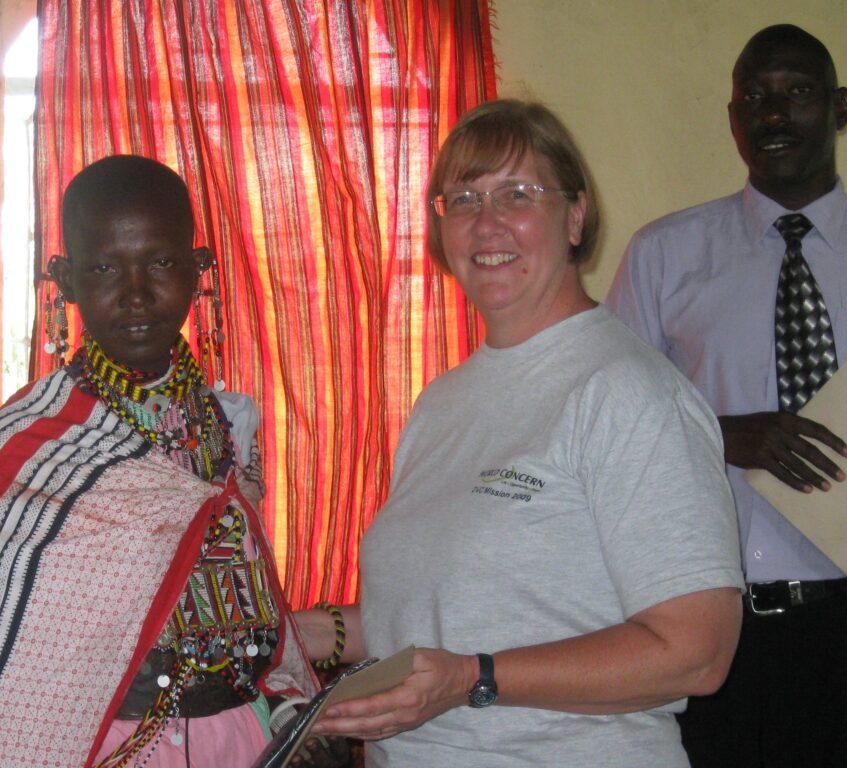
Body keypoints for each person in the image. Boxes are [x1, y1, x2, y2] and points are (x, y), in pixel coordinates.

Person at [296, 99, 744, 767]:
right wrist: (308, 633)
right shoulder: (441, 404)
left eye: (518, 193)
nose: (487, 222)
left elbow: (695, 653)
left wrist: (472, 679)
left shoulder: (628, 391)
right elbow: (448, 618)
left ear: (576, 216)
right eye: (465, 198)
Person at [0, 155, 347, 768]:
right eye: (105, 266)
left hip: (242, 740)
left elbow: (251, 595)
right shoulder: (36, 443)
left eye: (162, 262)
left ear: (200, 268)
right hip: (107, 750)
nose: (136, 293)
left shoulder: (226, 424)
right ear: (66, 278)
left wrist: (291, 707)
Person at [607, 24, 847, 767]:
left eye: (797, 93)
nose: (773, 115)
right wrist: (716, 436)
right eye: (754, 97)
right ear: (734, 119)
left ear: (839, 108)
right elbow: (606, 433)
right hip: (708, 624)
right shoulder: (664, 255)